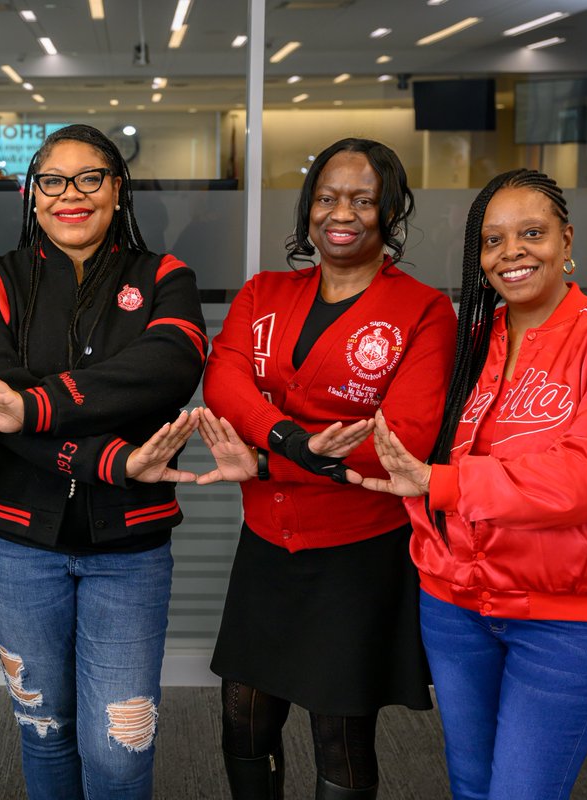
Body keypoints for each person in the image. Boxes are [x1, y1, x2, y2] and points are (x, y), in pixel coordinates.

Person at [358, 168, 587, 800]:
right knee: (471, 785)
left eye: (532, 233)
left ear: (566, 239)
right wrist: (275, 448)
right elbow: (405, 438)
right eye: (493, 240)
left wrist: (443, 485)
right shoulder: (469, 340)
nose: (512, 252)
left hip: (565, 619)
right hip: (454, 608)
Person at [0, 123, 207, 800]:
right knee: (45, 729)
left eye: (90, 178)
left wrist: (37, 405)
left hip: (129, 549)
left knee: (121, 746)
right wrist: (110, 461)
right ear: (33, 196)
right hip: (13, 542)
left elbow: (169, 365)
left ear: (117, 189)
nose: (72, 194)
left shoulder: (164, 276)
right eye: (53, 181)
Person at [199, 137, 457, 800]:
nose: (341, 213)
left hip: (357, 553)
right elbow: (225, 381)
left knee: (339, 733)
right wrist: (289, 441)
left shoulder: (423, 311)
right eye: (326, 198)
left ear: (390, 211)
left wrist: (263, 461)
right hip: (267, 544)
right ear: (308, 209)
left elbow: (400, 443)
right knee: (243, 719)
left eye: (363, 200)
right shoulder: (264, 292)